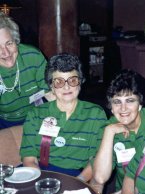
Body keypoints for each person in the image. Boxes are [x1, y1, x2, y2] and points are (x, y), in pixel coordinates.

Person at [20, 53, 107, 181]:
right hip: (38, 173)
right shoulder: (35, 114)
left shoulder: (95, 114)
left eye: (72, 80)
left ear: (80, 82)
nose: (66, 87)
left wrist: (78, 182)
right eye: (59, 82)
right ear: (51, 86)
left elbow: (97, 159)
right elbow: (29, 157)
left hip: (74, 176)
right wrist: (40, 182)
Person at [92, 69, 145, 194]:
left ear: (140, 103)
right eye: (117, 102)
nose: (123, 109)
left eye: (130, 100)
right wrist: (109, 133)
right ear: (111, 107)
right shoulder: (108, 128)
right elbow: (100, 177)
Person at [0, 11, 53, 129]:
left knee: (46, 145)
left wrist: (48, 133)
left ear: (15, 40)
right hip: (3, 121)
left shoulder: (32, 56)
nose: (6, 53)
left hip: (36, 115)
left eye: (9, 43)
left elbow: (51, 94)